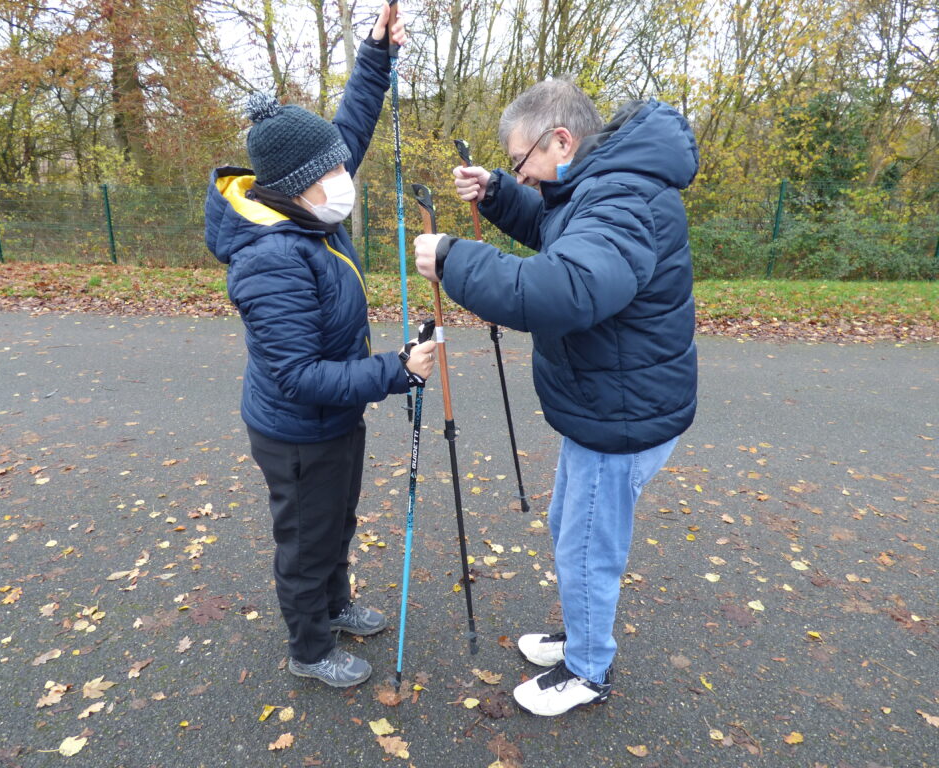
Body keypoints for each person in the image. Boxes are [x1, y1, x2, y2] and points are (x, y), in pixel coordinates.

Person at [413, 80, 699, 716]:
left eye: (521, 163)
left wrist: (455, 260)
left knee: (586, 548)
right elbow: (555, 224)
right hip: (605, 403)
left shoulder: (623, 199)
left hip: (623, 414)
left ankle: (588, 671)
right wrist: (498, 192)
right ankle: (582, 634)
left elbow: (566, 286)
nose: (526, 176)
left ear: (561, 140)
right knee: (569, 530)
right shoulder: (600, 181)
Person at [205, 3, 436, 689]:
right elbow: (300, 376)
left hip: (334, 420)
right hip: (298, 427)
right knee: (306, 541)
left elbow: (351, 130)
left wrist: (376, 54)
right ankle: (309, 648)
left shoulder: (308, 208)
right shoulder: (272, 258)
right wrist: (395, 372)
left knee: (337, 517)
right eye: (330, 175)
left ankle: (336, 606)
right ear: (295, 189)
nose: (346, 181)